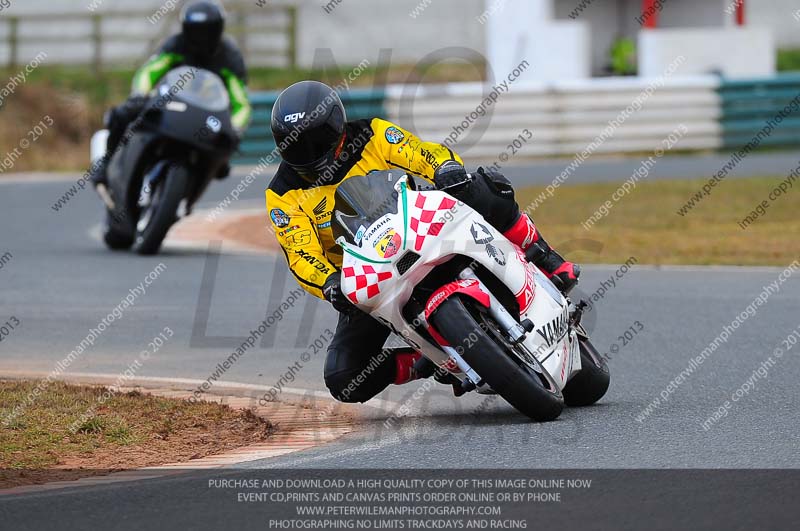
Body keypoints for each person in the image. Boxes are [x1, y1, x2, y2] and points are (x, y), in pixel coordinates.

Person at [265, 80, 580, 403]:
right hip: (368, 278)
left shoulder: (372, 134)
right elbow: (301, 253)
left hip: (422, 227)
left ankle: (547, 259)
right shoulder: (282, 194)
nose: (311, 158)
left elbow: (419, 153)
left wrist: (444, 167)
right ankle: (425, 360)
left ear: (337, 129)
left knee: (481, 187)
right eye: (297, 150)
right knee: (343, 376)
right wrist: (330, 283)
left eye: (318, 146)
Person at [91, 1, 251, 190]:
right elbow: (150, 71)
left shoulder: (230, 56)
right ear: (186, 29)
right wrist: (140, 94)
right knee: (123, 114)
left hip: (206, 112)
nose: (202, 37)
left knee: (224, 153)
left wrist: (236, 127)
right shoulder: (176, 44)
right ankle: (107, 162)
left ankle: (194, 186)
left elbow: (241, 101)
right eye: (196, 30)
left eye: (207, 31)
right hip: (172, 103)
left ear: (218, 29)